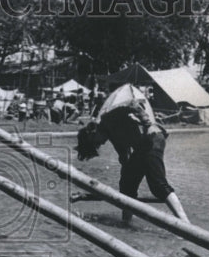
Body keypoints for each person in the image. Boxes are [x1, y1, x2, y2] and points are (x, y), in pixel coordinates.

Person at [76, 85, 190, 225]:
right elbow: (124, 157)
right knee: (126, 184)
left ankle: (185, 224)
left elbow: (133, 104)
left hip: (152, 139)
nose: (101, 144)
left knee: (157, 185)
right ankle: (126, 222)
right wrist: (127, 175)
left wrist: (146, 122)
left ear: (92, 131)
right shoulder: (110, 134)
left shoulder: (108, 118)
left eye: (97, 142)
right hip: (142, 147)